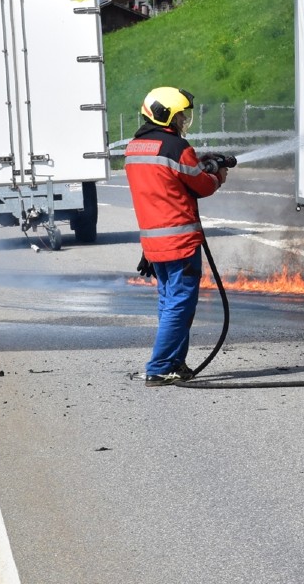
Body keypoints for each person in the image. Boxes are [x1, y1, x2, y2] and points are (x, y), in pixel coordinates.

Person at [125, 87, 227, 386]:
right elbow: (202, 186)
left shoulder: (134, 148)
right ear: (165, 114)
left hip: (153, 242)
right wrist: (217, 174)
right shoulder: (176, 148)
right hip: (180, 241)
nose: (184, 120)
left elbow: (162, 187)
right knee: (180, 303)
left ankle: (174, 362)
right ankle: (158, 368)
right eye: (181, 114)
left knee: (169, 301)